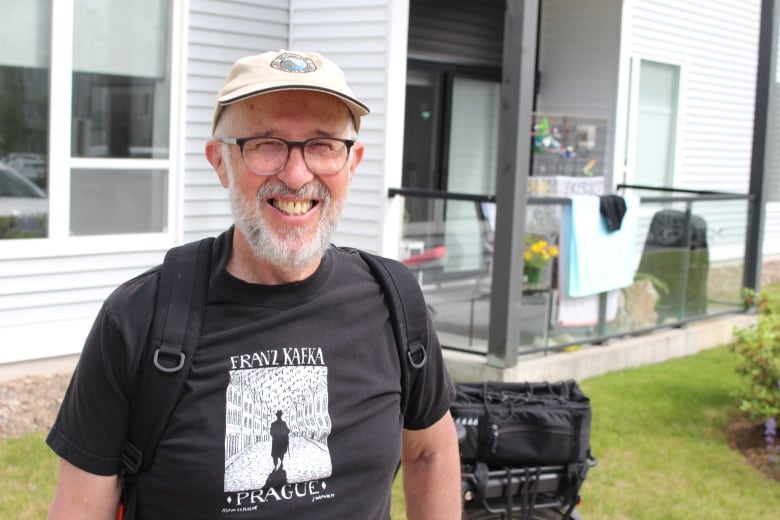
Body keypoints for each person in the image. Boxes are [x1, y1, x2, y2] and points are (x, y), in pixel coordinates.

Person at [46, 50, 461, 519]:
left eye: (323, 144)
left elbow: (430, 452)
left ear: (353, 162)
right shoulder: (137, 320)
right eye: (265, 144)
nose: (297, 174)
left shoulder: (395, 301)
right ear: (219, 162)